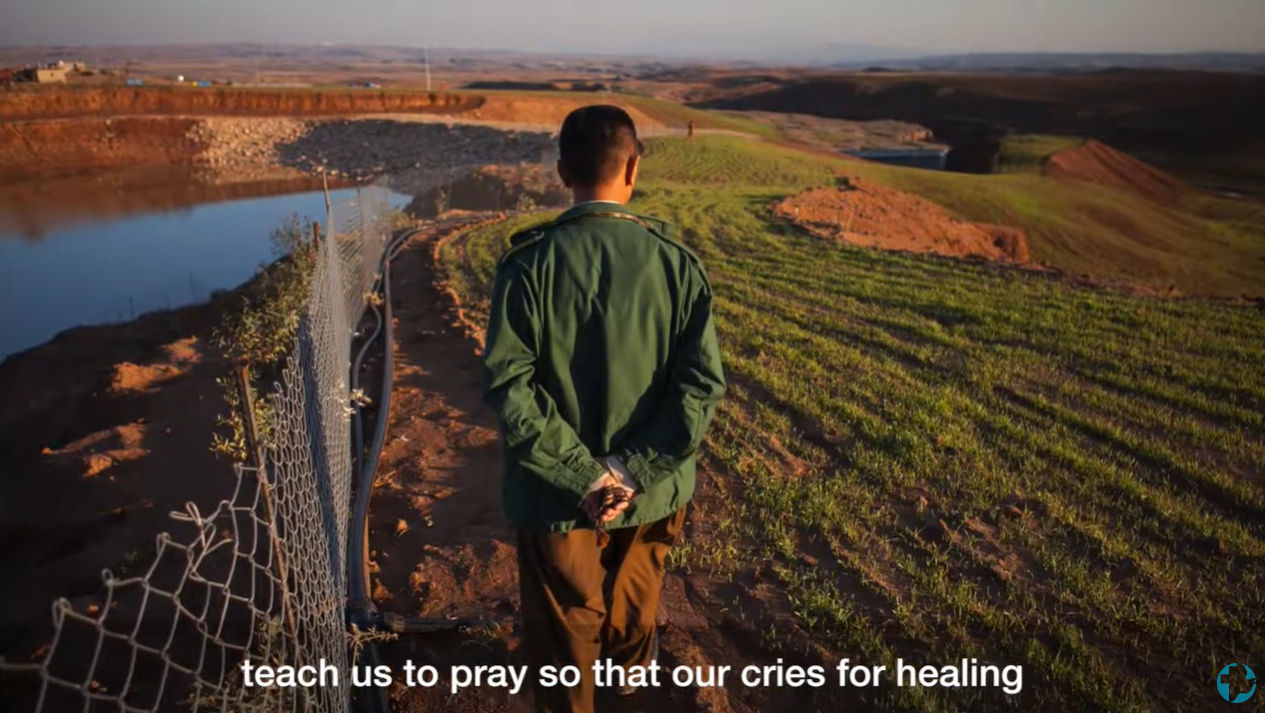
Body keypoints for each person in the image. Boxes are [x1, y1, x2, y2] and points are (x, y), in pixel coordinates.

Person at [482, 105, 726, 713]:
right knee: (636, 607)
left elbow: (510, 386)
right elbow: (700, 387)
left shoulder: (527, 266)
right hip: (652, 492)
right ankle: (631, 689)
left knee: (566, 634)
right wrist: (630, 470)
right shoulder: (677, 266)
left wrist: (584, 474)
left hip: (554, 501)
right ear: (634, 166)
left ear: (562, 171)